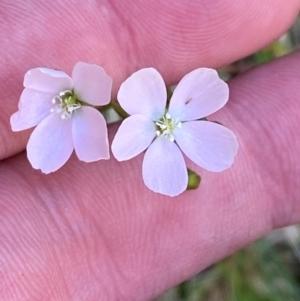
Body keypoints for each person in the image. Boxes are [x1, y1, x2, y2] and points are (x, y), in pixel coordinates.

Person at [1, 1, 300, 300]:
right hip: (115, 105)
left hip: (153, 116)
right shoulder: (103, 97)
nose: (68, 103)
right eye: (67, 101)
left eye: (69, 101)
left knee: (180, 138)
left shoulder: (116, 107)